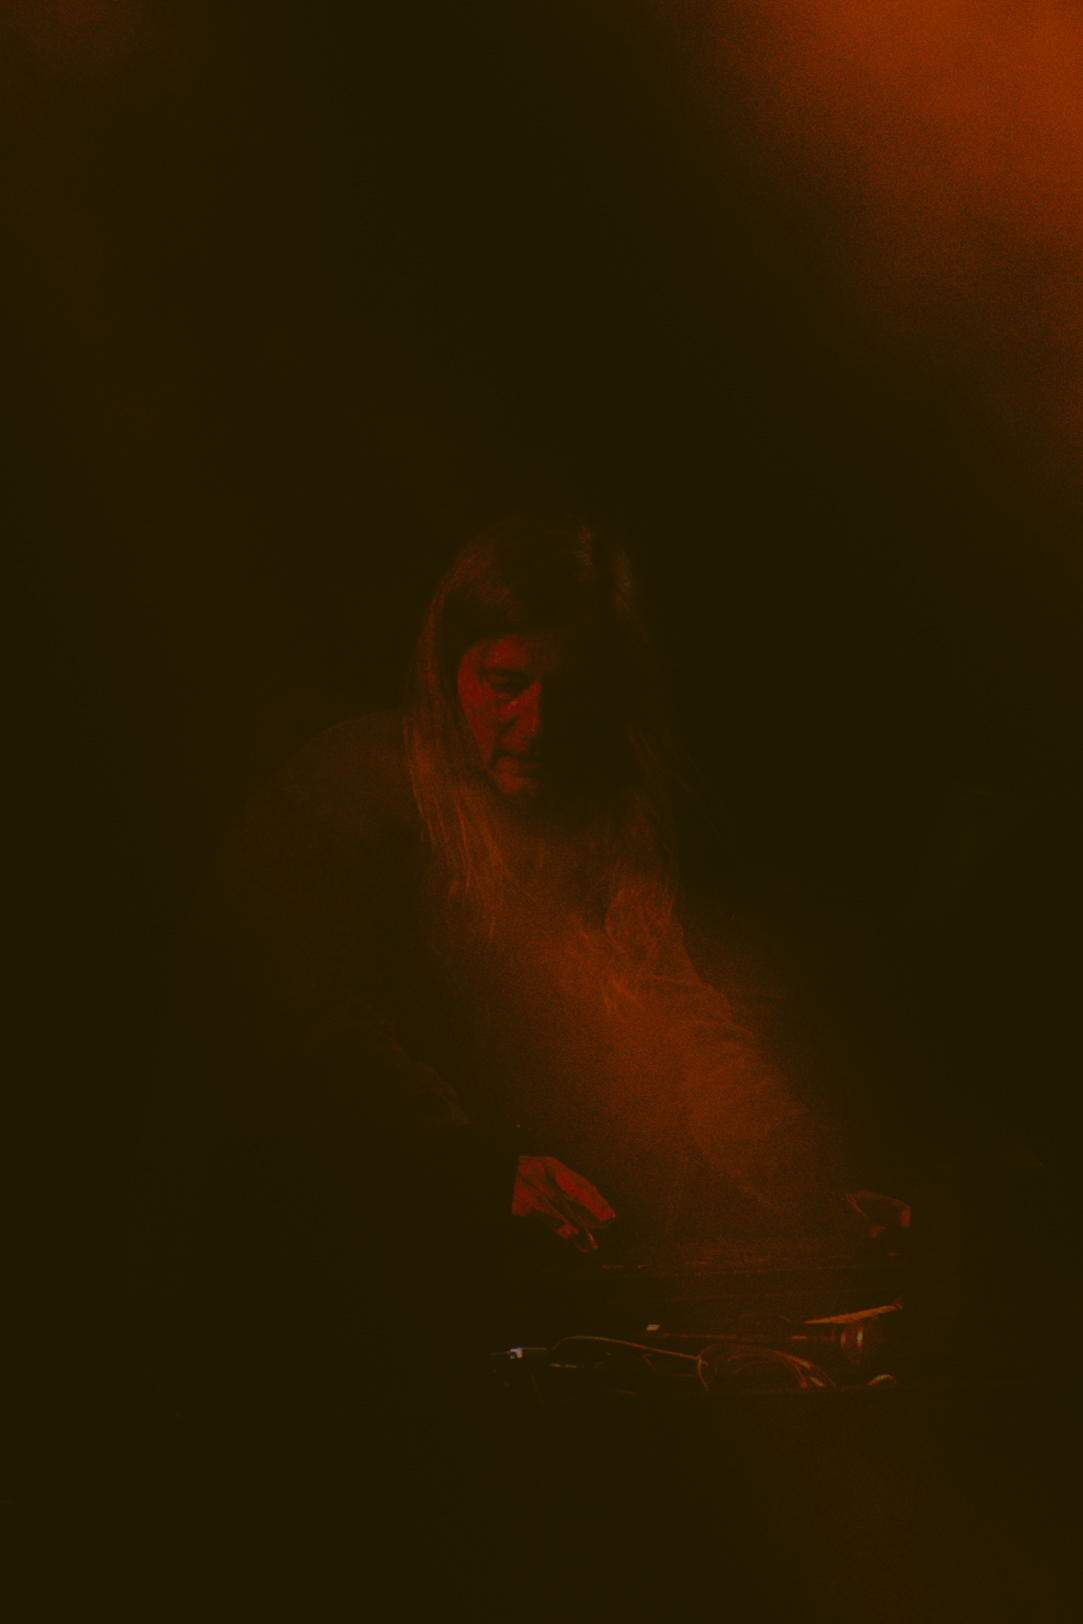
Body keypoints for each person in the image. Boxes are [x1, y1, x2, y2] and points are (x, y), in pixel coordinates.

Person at [172, 515, 884, 1364]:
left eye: (570, 690)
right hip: (292, 1282)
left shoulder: (597, 828)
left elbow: (685, 1032)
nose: (537, 723)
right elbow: (325, 1032)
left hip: (472, 1295)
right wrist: (478, 1168)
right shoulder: (350, 788)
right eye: (505, 682)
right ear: (446, 670)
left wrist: (804, 1179)